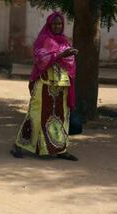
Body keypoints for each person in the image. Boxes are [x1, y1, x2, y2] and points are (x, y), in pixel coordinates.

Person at [10, 12, 79, 161]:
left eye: (59, 23)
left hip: (62, 86)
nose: (57, 26)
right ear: (49, 24)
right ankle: (19, 145)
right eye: (54, 23)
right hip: (44, 85)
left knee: (61, 117)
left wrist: (70, 55)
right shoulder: (43, 40)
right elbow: (41, 59)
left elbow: (70, 63)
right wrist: (61, 55)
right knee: (36, 115)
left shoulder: (65, 42)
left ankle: (60, 149)